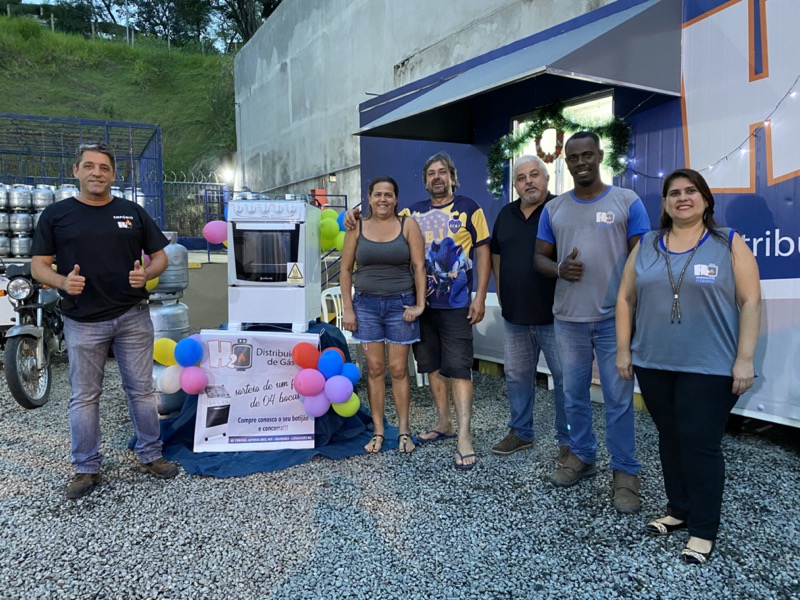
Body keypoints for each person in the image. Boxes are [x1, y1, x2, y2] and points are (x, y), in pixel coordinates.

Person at [616, 168, 760, 564]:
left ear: (706, 200)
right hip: (654, 362)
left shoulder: (727, 241)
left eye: (691, 191)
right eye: (674, 192)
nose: (683, 197)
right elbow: (625, 299)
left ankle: (703, 530)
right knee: (670, 438)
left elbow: (750, 302)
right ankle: (679, 510)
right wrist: (624, 351)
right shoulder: (646, 244)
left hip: (710, 366)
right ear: (664, 203)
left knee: (700, 444)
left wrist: (744, 359)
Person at [31, 143, 179, 500]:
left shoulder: (132, 212)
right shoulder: (56, 215)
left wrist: (146, 274)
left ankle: (150, 454)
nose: (97, 173)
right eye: (89, 166)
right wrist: (63, 282)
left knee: (141, 391)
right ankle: (86, 467)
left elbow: (161, 257)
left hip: (132, 316)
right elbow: (38, 266)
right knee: (84, 396)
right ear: (76, 171)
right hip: (83, 321)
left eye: (104, 168)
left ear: (113, 174)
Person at [345, 152, 490, 469]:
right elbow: (377, 218)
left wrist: (480, 297)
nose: (437, 177)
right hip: (419, 307)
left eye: (442, 172)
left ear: (451, 175)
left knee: (460, 367)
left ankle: (464, 436)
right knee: (432, 366)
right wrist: (349, 215)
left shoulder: (469, 208)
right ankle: (443, 422)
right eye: (431, 174)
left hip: (455, 304)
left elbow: (482, 252)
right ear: (425, 181)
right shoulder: (412, 213)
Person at [534, 131, 650, 513]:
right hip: (568, 319)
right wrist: (558, 268)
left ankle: (625, 472)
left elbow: (643, 261)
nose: (581, 162)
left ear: (600, 155)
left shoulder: (627, 202)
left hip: (613, 321)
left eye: (588, 155)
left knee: (618, 399)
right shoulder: (554, 210)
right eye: (574, 157)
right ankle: (582, 456)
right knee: (573, 396)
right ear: (565, 162)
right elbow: (540, 260)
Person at [489, 155, 569, 463]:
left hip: (556, 317)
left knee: (565, 381)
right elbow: (496, 253)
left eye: (534, 175)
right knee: (517, 377)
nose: (528, 182)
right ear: (515, 185)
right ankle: (521, 433)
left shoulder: (560, 210)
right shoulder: (506, 214)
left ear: (546, 179)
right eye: (521, 178)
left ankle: (569, 441)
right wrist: (502, 290)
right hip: (516, 317)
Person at [340, 176, 426, 454]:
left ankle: (403, 431)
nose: (383, 200)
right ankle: (378, 431)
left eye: (388, 195)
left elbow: (419, 266)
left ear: (396, 199)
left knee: (399, 370)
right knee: (375, 370)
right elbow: (345, 270)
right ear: (369, 197)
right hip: (365, 306)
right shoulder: (357, 227)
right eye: (377, 194)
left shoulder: (408, 225)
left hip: (400, 305)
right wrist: (348, 309)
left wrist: (420, 304)